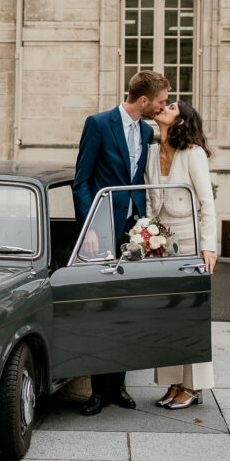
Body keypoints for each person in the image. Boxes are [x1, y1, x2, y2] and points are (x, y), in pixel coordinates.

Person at [72, 70, 170, 415]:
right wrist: (90, 224)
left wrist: (145, 226)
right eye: (160, 101)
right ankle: (98, 391)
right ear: (143, 101)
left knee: (127, 308)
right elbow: (81, 180)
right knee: (102, 308)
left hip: (135, 230)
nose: (163, 107)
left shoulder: (146, 130)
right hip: (103, 229)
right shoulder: (98, 124)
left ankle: (120, 387)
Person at [145, 100, 217, 410]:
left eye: (172, 106)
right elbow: (150, 199)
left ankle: (192, 386)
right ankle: (174, 383)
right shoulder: (150, 152)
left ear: (182, 121)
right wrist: (146, 237)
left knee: (191, 316)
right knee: (166, 316)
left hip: (190, 245)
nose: (164, 107)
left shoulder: (193, 154)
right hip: (160, 246)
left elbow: (206, 203)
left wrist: (209, 246)